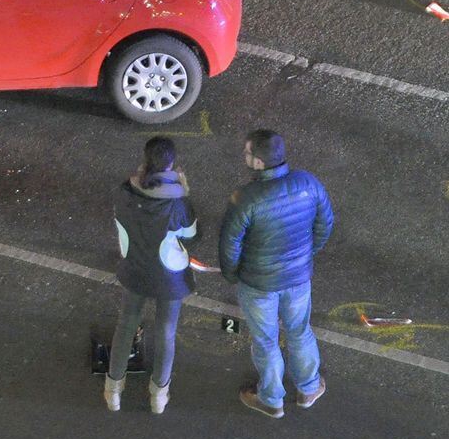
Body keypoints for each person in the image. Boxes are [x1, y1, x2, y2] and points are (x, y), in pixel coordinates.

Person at [219, 129, 335, 419]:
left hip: (258, 284)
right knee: (299, 331)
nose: (244, 156)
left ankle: (271, 399)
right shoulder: (308, 183)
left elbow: (230, 244)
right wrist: (306, 254)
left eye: (247, 153)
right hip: (298, 279)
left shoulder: (246, 199)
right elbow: (325, 224)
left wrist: (232, 274)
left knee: (266, 340)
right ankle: (308, 388)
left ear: (259, 163)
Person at [104, 137, 198, 414]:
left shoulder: (124, 192)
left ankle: (113, 390)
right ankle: (158, 394)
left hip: (135, 269)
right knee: (166, 330)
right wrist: (184, 191)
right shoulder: (178, 205)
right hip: (169, 277)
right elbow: (191, 236)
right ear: (172, 164)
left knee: (126, 324)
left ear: (145, 161)